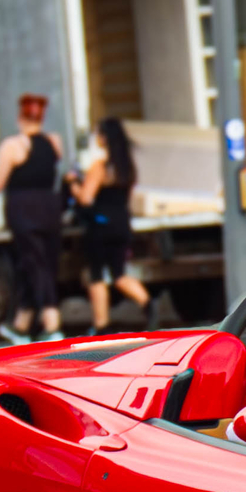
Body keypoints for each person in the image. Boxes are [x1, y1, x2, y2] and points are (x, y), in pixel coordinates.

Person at [0, 92, 66, 344]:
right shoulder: (54, 142)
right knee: (44, 264)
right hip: (51, 209)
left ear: (21, 117)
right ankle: (21, 324)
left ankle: (52, 323)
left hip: (24, 210)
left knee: (33, 264)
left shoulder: (14, 146)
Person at [71, 116, 152, 332]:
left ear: (104, 138)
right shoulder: (127, 168)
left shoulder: (100, 167)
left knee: (96, 275)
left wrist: (73, 185)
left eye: (98, 133)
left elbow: (86, 198)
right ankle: (148, 305)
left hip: (100, 225)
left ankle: (101, 324)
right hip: (122, 224)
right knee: (120, 275)